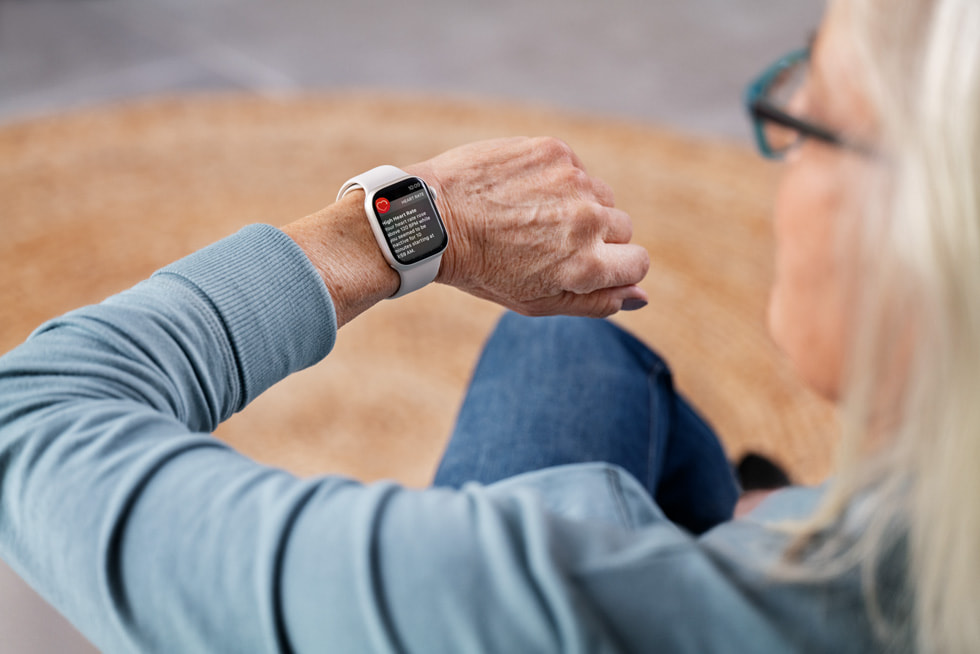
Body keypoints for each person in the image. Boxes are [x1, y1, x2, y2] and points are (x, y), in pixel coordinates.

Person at [0, 0, 977, 650]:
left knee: (558, 347)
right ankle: (756, 512)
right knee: (569, 338)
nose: (777, 149)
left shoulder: (517, 604)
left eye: (804, 120)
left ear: (932, 227)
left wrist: (398, 228)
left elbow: (35, 419)